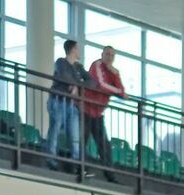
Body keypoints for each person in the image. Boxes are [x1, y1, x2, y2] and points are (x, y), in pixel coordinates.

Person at [45, 40, 94, 174]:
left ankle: (76, 164)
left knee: (74, 136)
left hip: (72, 105)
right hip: (58, 100)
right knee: (55, 129)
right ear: (73, 49)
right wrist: (75, 84)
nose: (79, 52)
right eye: (78, 49)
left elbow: (92, 82)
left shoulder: (78, 67)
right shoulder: (61, 62)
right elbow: (64, 77)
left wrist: (77, 86)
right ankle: (51, 159)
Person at [83, 46, 125, 182]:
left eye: (112, 55)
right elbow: (100, 84)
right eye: (107, 54)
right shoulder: (97, 65)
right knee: (82, 140)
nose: (109, 57)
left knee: (104, 145)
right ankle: (81, 169)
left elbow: (122, 92)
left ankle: (110, 175)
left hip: (98, 113)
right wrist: (117, 91)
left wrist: (116, 75)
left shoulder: (113, 72)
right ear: (102, 54)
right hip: (85, 109)